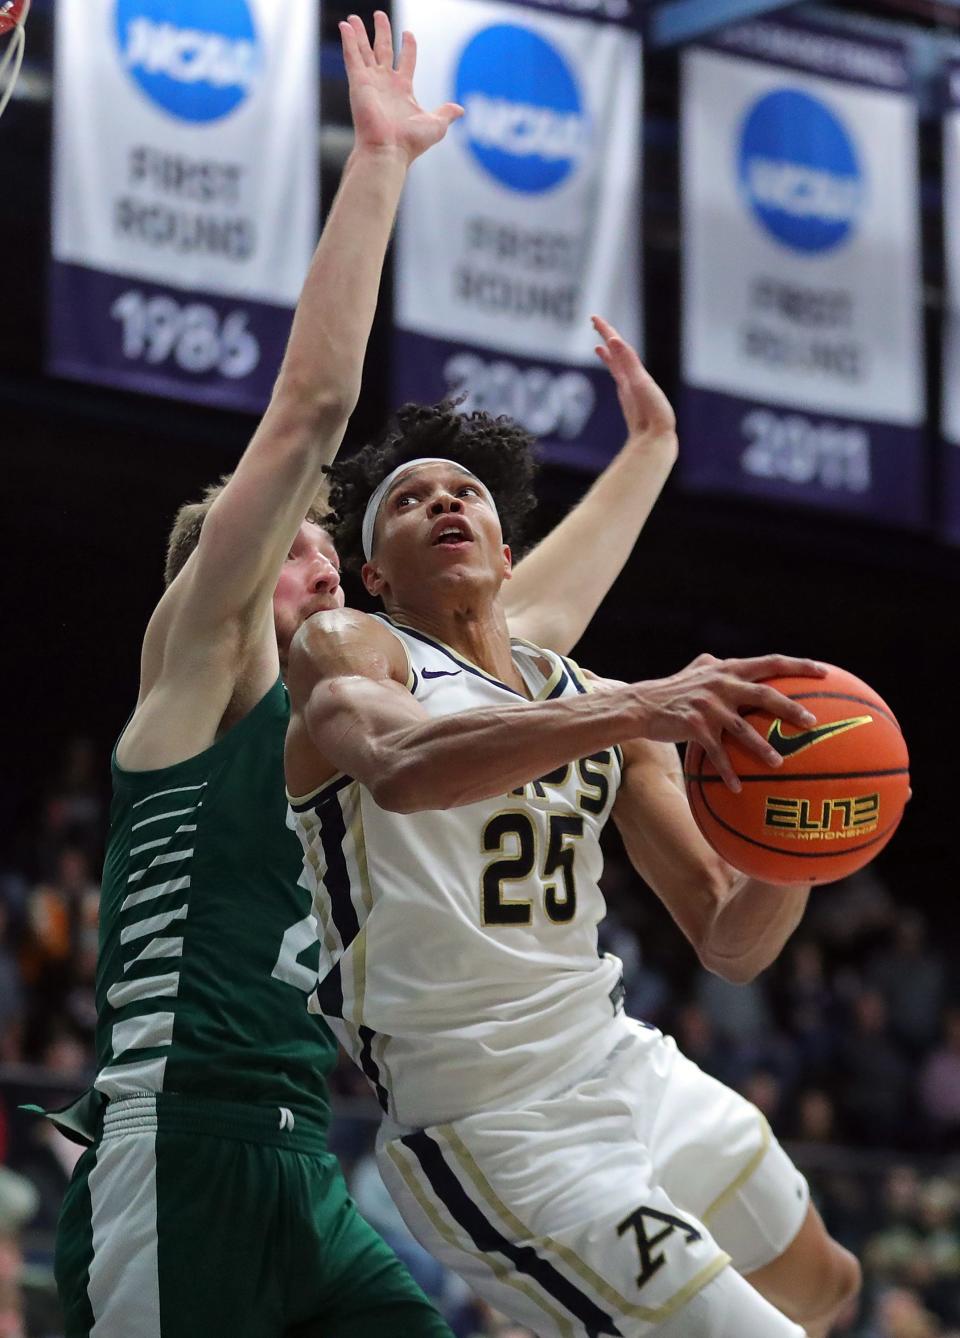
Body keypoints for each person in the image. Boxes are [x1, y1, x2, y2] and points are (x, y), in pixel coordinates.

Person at [50, 15, 684, 1336]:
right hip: (177, 1143)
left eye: (340, 560)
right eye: (296, 556)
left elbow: (531, 608)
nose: (325, 573)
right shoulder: (197, 686)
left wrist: (649, 452)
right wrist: (382, 161)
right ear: (215, 587)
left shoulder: (360, 701)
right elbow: (309, 413)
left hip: (310, 1155)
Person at [283, 414, 863, 1338]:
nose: (443, 499)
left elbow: (727, 938)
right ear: (375, 576)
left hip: (620, 1060)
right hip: (492, 1123)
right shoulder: (355, 650)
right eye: (408, 498)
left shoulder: (597, 703)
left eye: (465, 492)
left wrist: (795, 844)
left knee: (827, 1287)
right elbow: (400, 765)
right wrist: (641, 705)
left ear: (507, 557)